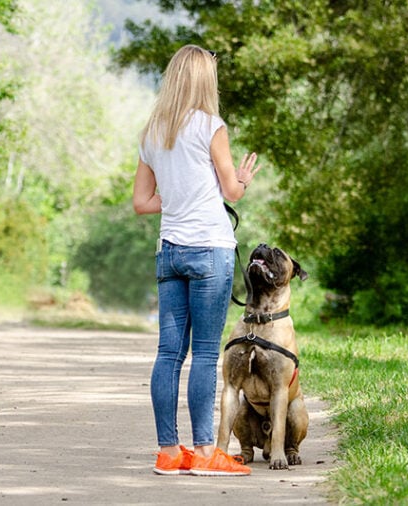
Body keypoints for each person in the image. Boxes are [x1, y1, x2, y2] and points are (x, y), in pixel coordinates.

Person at [132, 44, 261, 476]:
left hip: (169, 252)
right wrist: (240, 180)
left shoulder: (152, 131)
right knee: (205, 354)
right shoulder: (211, 125)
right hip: (209, 248)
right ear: (205, 80)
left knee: (169, 353)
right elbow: (231, 192)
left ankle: (168, 452)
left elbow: (142, 202)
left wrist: (180, 193)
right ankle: (205, 454)